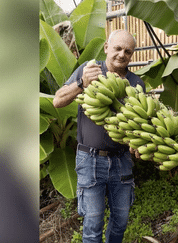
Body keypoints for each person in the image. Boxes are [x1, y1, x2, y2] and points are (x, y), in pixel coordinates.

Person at [53, 29, 144, 243]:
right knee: (92, 224)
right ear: (106, 48)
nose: (122, 54)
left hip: (122, 160)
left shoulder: (136, 84)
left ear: (132, 55)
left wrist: (138, 143)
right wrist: (80, 84)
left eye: (128, 51)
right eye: (117, 48)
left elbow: (138, 124)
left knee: (120, 220)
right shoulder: (89, 71)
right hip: (90, 159)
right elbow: (57, 101)